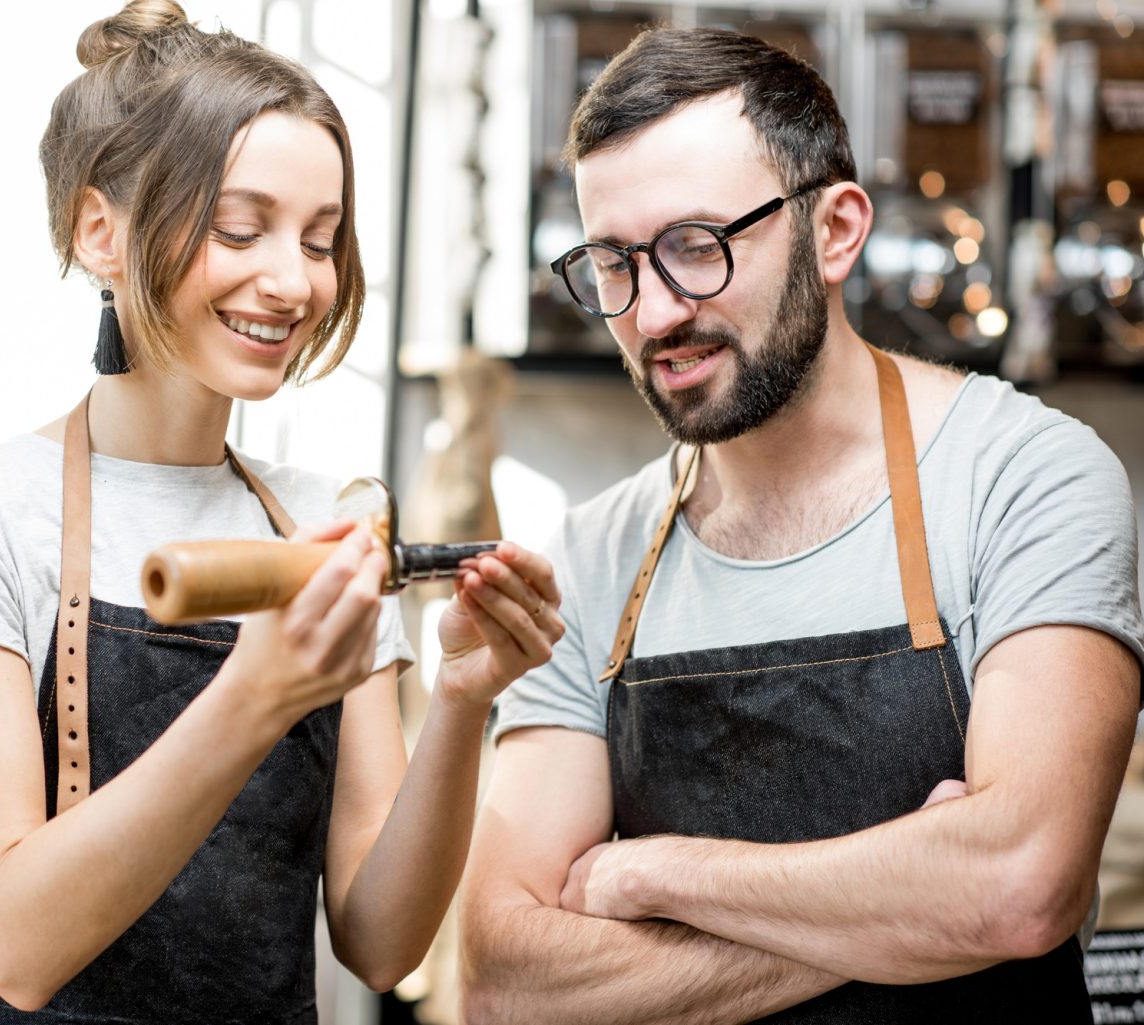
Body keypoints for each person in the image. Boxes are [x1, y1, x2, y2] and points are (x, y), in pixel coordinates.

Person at [0, 4, 562, 1021]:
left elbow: (380, 942)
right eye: (240, 228)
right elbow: (16, 946)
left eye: (320, 239)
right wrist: (255, 695)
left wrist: (460, 699)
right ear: (100, 232)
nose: (293, 281)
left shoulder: (323, 519)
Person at [460, 26, 1143, 1024]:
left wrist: (653, 873)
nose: (653, 315)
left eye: (697, 247)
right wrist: (916, 902)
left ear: (837, 231)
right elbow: (503, 982)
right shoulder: (591, 560)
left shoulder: (1023, 478)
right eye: (614, 262)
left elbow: (1021, 885)